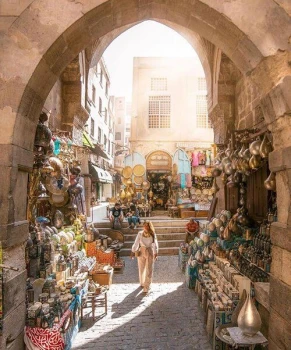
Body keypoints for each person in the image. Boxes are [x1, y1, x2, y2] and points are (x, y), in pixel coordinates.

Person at [130, 221, 158, 294]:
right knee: (141, 268)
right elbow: (136, 243)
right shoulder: (140, 233)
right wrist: (133, 251)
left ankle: (147, 286)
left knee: (149, 269)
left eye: (147, 226)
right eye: (144, 226)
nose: (145, 227)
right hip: (141, 251)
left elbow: (155, 244)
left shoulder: (152, 234)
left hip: (150, 251)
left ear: (149, 226)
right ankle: (142, 283)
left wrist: (155, 252)